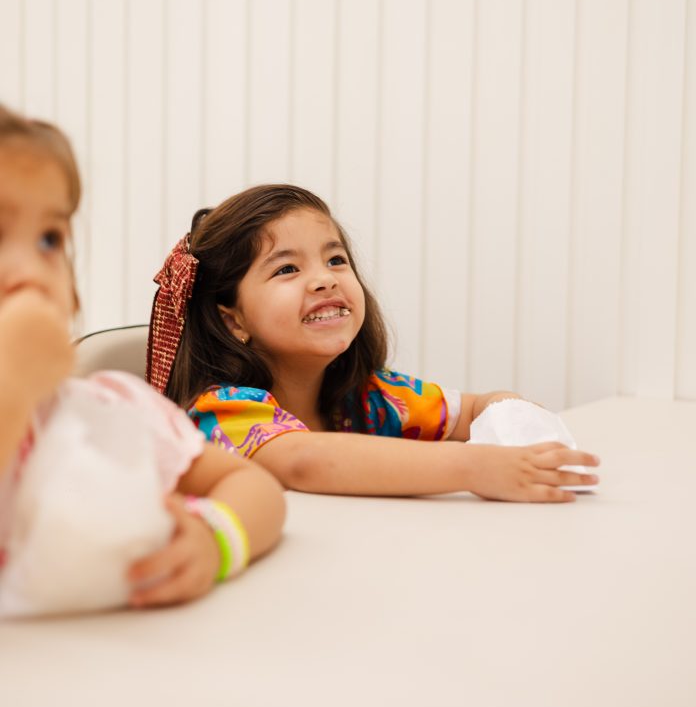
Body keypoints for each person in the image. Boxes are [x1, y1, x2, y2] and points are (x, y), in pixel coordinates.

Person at [148, 184, 600, 502]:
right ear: (233, 321)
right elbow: (304, 460)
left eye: (335, 259)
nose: (325, 279)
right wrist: (476, 467)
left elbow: (473, 409)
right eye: (287, 269)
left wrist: (516, 420)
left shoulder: (371, 397)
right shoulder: (221, 412)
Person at [0, 106, 285, 609]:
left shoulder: (107, 413)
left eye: (49, 239)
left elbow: (251, 484)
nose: (31, 272)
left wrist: (211, 539)